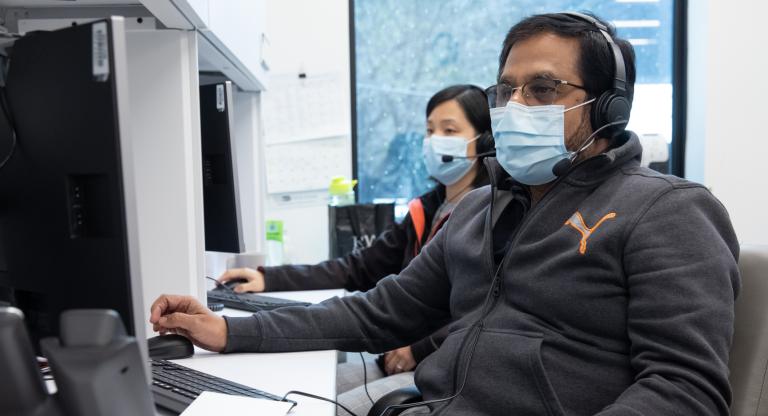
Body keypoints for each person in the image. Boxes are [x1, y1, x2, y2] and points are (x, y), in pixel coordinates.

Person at [151, 12, 740, 416]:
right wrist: (229, 329)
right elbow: (378, 314)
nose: (514, 107)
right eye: (506, 90)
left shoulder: (669, 212)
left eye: (542, 89)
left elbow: (683, 390)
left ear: (608, 107)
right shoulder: (482, 208)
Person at [218, 84, 495, 414]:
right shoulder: (426, 209)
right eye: (429, 130)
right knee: (281, 394)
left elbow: (485, 311)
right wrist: (270, 277)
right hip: (396, 358)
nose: (435, 140)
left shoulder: (491, 214)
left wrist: (418, 349)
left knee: (315, 410)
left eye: (449, 130)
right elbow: (358, 267)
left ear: (484, 140)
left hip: (442, 371)